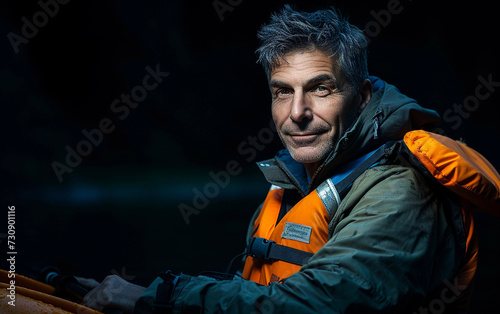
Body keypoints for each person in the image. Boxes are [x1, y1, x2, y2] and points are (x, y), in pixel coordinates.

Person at [79, 5, 479, 313]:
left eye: (320, 89)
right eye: (282, 92)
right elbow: (254, 294)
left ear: (361, 98)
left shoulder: (401, 192)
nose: (297, 112)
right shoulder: (291, 183)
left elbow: (320, 303)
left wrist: (161, 296)